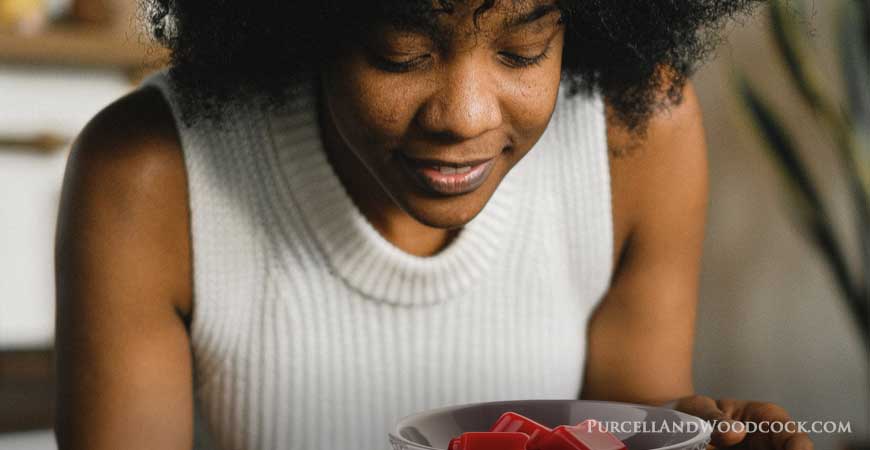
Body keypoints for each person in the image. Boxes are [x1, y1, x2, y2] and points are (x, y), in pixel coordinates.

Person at [53, 1, 814, 449]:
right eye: (401, 54)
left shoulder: (636, 133)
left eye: (523, 51)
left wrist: (699, 440)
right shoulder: (149, 174)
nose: (464, 116)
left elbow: (626, 422)